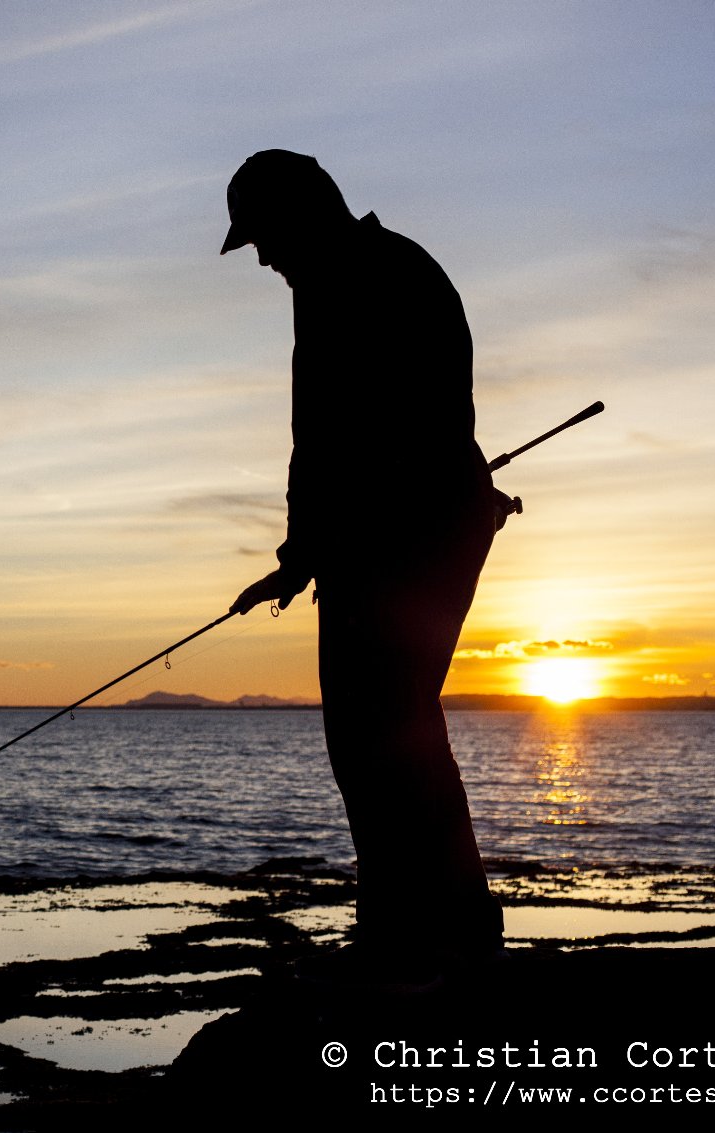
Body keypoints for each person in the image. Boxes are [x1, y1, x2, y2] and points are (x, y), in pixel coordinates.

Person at [221, 150, 504, 987]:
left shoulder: (380, 279)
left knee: (385, 728)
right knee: (384, 730)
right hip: (389, 538)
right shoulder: (343, 280)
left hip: (412, 540)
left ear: (304, 214)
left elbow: (393, 432)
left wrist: (323, 545)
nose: (265, 259)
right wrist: (298, 559)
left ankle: (429, 933)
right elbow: (322, 446)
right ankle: (427, 926)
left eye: (265, 238)